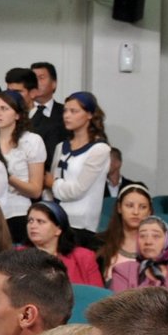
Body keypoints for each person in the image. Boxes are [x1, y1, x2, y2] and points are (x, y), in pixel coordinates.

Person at [45, 92, 112, 234]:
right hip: (55, 219)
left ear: (89, 114)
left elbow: (78, 190)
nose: (67, 116)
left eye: (74, 111)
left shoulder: (99, 149)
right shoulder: (61, 147)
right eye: (65, 111)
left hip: (80, 223)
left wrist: (53, 184)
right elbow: (51, 181)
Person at [109, 218, 168, 292]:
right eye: (142, 236)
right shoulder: (123, 271)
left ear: (167, 241)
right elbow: (118, 308)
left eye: (156, 236)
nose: (148, 242)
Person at [25, 200, 104, 287]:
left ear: (58, 229)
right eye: (30, 221)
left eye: (40, 221)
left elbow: (98, 293)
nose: (33, 226)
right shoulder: (19, 257)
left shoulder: (84, 257)